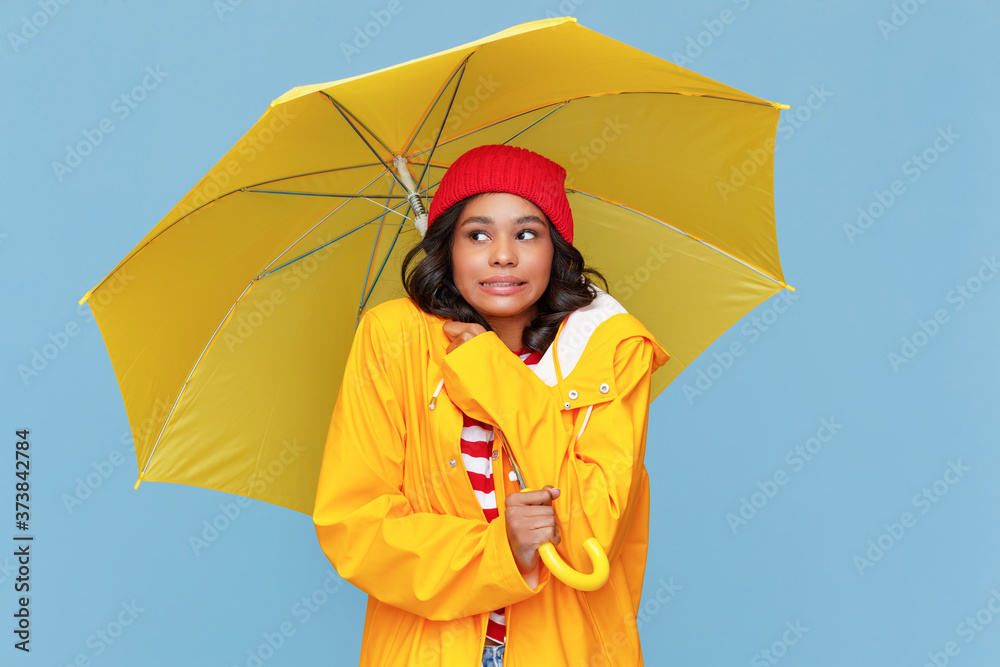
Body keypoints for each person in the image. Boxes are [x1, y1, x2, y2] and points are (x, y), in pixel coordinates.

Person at [312, 144, 670, 666]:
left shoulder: (609, 351)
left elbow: (589, 540)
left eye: (527, 233)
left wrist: (495, 375)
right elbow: (357, 527)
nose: (503, 255)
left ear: (557, 250)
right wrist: (501, 548)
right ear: (448, 249)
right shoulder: (393, 338)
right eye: (477, 234)